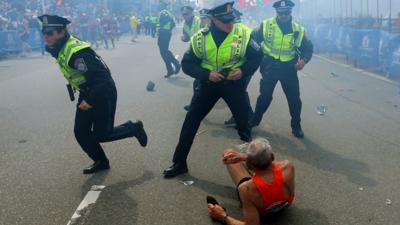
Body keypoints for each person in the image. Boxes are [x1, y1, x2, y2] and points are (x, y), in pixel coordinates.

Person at [163, 2, 263, 178]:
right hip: (209, 85)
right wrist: (206, 74)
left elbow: (257, 56)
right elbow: (187, 64)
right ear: (213, 20)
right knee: (191, 121)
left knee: (244, 125)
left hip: (233, 85)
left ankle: (253, 165)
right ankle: (179, 163)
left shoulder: (242, 33)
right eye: (224, 21)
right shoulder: (200, 37)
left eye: (231, 19)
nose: (229, 24)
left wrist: (243, 71)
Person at [38, 15, 148, 174]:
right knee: (81, 132)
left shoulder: (77, 53)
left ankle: (134, 128)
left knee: (102, 134)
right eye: (44, 32)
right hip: (87, 90)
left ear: (62, 32)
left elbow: (103, 80)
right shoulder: (61, 46)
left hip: (102, 93)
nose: (45, 36)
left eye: (49, 33)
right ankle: (101, 161)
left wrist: (90, 100)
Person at [250, 0, 313, 138]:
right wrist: (260, 53)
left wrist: (303, 60)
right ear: (276, 12)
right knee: (265, 97)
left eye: (286, 13)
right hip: (270, 66)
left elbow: (308, 48)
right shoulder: (266, 25)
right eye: (281, 13)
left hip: (289, 68)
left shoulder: (298, 29)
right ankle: (254, 121)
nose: (283, 15)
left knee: (294, 99)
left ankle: (296, 126)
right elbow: (252, 39)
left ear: (291, 12)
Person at [207, 138, 295, 225]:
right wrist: (245, 157)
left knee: (228, 152)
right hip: (284, 204)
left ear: (249, 163)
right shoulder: (288, 166)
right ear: (272, 157)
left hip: (263, 213)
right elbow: (273, 166)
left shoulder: (246, 189)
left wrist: (223, 216)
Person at [181, 6, 204, 111]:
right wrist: (184, 38)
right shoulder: (185, 25)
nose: (184, 16)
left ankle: (195, 106)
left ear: (191, 13)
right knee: (200, 81)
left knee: (198, 81)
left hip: (205, 53)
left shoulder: (199, 21)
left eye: (186, 13)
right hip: (195, 52)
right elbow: (186, 37)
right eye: (183, 14)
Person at [157, 0, 181, 78]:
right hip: (165, 33)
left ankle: (175, 65)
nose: (158, 5)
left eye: (159, 4)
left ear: (163, 5)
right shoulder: (166, 12)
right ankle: (171, 68)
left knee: (163, 52)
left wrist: (162, 28)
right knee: (164, 51)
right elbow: (173, 23)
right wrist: (167, 30)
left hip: (164, 33)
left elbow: (168, 20)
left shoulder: (163, 12)